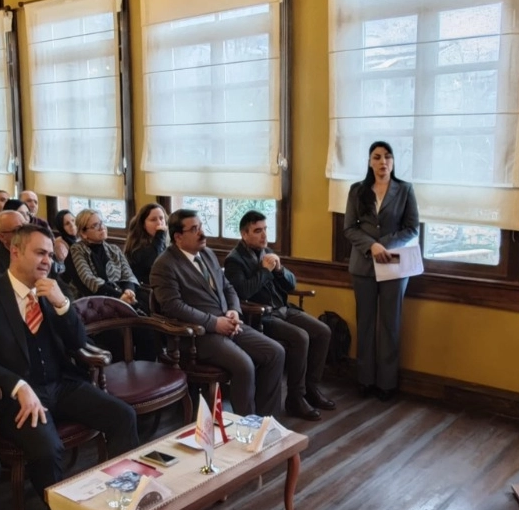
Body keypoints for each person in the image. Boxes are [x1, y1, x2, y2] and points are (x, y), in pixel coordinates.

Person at [0, 225, 138, 494]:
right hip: (16, 399)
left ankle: (124, 503)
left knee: (124, 416)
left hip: (62, 384)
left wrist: (62, 304)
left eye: (51, 255)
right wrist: (18, 386)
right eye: (40, 253)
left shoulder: (54, 287)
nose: (47, 261)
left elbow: (78, 343)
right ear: (15, 252)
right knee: (47, 451)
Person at [150, 209, 285, 417]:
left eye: (201, 226)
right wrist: (214, 323)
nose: (202, 233)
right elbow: (173, 307)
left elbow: (228, 287)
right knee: (245, 365)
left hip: (229, 323)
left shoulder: (207, 253)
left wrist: (233, 310)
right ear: (178, 237)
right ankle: (246, 427)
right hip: (198, 335)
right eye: (194, 229)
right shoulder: (164, 265)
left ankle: (267, 420)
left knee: (275, 352)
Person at [224, 211, 335, 421]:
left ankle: (311, 389)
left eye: (265, 230)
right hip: (261, 316)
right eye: (258, 231)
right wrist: (265, 271)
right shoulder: (235, 261)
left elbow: (291, 284)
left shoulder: (266, 252)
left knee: (323, 331)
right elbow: (242, 292)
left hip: (284, 309)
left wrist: (279, 269)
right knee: (300, 337)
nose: (264, 235)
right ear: (244, 234)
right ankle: (295, 398)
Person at [344, 140, 419, 401]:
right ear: (369, 162)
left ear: (393, 162)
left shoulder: (405, 190)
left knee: (390, 324)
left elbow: (412, 229)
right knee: (365, 323)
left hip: (394, 265)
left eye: (388, 157)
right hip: (362, 265)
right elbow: (349, 228)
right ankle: (365, 379)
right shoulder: (356, 191)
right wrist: (371, 246)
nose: (382, 162)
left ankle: (387, 383)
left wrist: (383, 246)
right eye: (377, 157)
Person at [68, 210, 137, 304]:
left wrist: (129, 291)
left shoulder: (114, 249)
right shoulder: (77, 250)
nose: (102, 227)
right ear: (83, 233)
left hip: (122, 299)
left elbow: (128, 275)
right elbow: (88, 280)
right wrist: (118, 296)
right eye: (95, 225)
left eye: (102, 223)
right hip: (91, 304)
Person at [124, 203, 168, 284]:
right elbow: (154, 262)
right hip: (145, 290)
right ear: (143, 224)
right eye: (153, 220)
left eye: (162, 218)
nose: (159, 223)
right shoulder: (137, 247)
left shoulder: (164, 241)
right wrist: (160, 234)